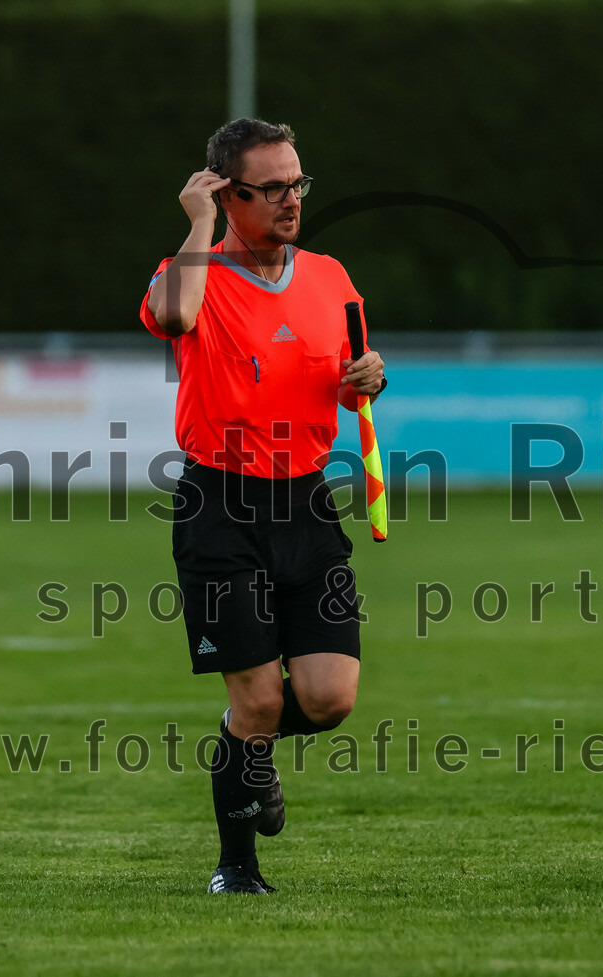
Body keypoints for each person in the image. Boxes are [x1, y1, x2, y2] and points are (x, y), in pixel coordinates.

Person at [139, 118, 385, 894]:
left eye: (297, 183)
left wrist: (368, 379)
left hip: (308, 506)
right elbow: (173, 319)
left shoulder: (331, 276)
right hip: (220, 507)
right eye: (270, 188)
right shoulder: (190, 273)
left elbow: (344, 377)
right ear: (226, 191)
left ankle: (245, 743)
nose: (290, 200)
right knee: (258, 700)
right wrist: (199, 225)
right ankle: (236, 867)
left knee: (328, 696)